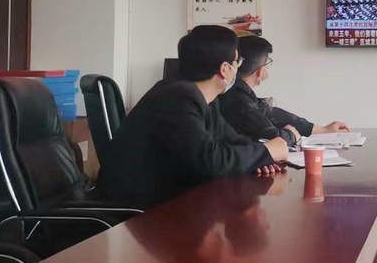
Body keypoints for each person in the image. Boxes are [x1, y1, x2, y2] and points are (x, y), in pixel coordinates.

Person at [97, 25, 289, 209]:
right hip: (137, 211)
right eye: (237, 61)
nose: (237, 68)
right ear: (225, 69)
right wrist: (266, 151)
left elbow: (230, 139)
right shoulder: (176, 98)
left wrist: (261, 158)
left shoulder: (202, 98)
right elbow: (209, 163)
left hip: (165, 202)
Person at [219, 35, 350, 147]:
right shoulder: (238, 100)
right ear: (260, 71)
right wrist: (291, 135)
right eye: (267, 65)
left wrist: (323, 129)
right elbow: (273, 137)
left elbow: (271, 113)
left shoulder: (240, 93)